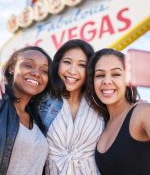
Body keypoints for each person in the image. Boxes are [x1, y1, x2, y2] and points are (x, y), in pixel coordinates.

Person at [0, 40, 104, 175]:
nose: (72, 71)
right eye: (67, 62)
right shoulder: (39, 100)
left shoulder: (100, 102)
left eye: (82, 65)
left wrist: (135, 104)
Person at [86, 48, 150, 175]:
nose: (107, 81)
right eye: (100, 75)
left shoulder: (143, 112)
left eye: (115, 74)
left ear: (127, 79)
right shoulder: (101, 123)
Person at [0, 46, 52, 175]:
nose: (36, 73)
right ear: (12, 68)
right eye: (28, 65)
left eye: (44, 71)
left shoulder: (39, 117)